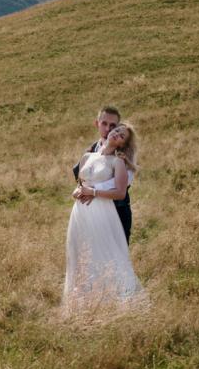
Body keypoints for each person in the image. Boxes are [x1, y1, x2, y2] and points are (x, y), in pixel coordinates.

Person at [63, 122, 147, 315]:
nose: (116, 135)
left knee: (103, 252)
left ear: (122, 145)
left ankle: (114, 298)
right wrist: (77, 192)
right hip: (80, 212)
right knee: (80, 251)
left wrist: (92, 192)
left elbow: (120, 193)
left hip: (102, 211)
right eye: (117, 131)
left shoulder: (117, 162)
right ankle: (83, 301)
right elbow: (79, 185)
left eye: (122, 136)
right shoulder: (87, 157)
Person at [73, 106, 133, 243]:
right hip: (88, 213)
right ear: (97, 124)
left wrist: (93, 190)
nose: (108, 129)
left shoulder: (125, 155)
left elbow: (126, 182)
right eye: (104, 124)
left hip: (117, 212)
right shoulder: (90, 151)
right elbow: (80, 180)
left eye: (113, 125)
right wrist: (80, 191)